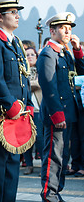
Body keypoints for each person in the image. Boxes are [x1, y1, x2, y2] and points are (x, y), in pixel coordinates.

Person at [0, 0, 34, 202]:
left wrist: (27, 103)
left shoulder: (15, 42)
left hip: (16, 115)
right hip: (0, 117)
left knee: (12, 169)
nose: (18, 16)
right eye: (13, 12)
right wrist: (11, 106)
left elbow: (23, 76)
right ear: (0, 17)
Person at [37, 12, 84, 202]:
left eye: (70, 28)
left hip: (69, 112)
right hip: (58, 115)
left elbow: (80, 73)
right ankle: (49, 193)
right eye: (63, 28)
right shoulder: (48, 53)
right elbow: (49, 87)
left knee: (64, 156)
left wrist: (78, 50)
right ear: (52, 30)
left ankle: (56, 192)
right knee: (54, 156)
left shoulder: (64, 52)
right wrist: (57, 115)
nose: (67, 31)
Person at [22, 47, 44, 175]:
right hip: (25, 110)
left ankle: (43, 165)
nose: (30, 57)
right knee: (26, 138)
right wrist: (33, 84)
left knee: (40, 138)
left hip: (38, 109)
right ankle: (28, 165)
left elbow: (40, 84)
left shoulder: (41, 70)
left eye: (32, 54)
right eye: (27, 54)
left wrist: (32, 84)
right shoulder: (22, 71)